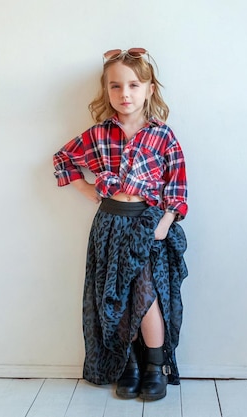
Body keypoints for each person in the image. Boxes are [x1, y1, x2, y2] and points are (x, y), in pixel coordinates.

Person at [52, 48, 188, 401]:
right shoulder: (98, 134)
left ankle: (154, 367)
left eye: (133, 85)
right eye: (116, 86)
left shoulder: (163, 136)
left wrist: (166, 221)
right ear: (106, 91)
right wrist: (86, 189)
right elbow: (63, 159)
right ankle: (127, 365)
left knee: (146, 295)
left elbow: (177, 187)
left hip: (146, 225)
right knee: (115, 298)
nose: (125, 94)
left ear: (149, 89)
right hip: (110, 223)